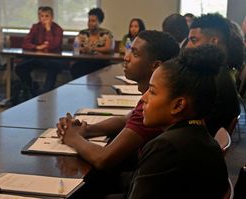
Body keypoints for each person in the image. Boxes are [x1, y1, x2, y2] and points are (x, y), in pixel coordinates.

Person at [58, 30, 179, 198]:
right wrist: (86, 130)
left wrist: (73, 137)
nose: (126, 57)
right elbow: (125, 120)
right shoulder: (153, 96)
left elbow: (103, 159)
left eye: (135, 53)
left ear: (156, 66)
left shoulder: (157, 106)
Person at [126, 45, 229, 199]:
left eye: (152, 91)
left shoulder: (166, 147)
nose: (143, 98)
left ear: (178, 105)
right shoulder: (198, 134)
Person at [185, 13, 243, 136]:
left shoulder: (212, 79)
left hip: (194, 146)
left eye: (194, 40)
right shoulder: (218, 73)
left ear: (213, 41)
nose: (188, 47)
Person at [15, 6, 63, 95]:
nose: (44, 19)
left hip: (54, 59)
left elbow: (53, 45)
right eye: (42, 16)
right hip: (39, 58)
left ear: (52, 17)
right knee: (19, 68)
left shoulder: (58, 29)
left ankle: (45, 93)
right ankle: (31, 88)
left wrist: (48, 30)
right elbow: (25, 43)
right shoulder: (35, 27)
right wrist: (37, 47)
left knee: (53, 66)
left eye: (47, 16)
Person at [71, 8, 114, 79]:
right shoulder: (83, 33)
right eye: (89, 20)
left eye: (93, 21)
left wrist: (92, 49)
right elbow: (75, 47)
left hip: (100, 62)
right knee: (75, 68)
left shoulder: (106, 34)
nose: (90, 23)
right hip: (84, 61)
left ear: (99, 22)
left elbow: (108, 48)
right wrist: (83, 49)